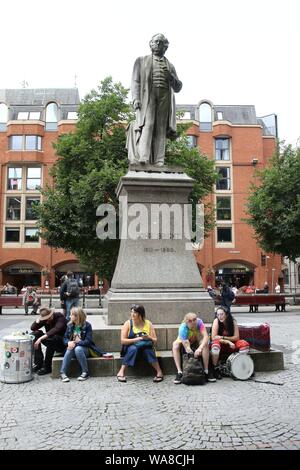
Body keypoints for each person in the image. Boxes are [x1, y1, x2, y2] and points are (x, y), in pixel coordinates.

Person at [127, 33, 182, 166]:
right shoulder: (141, 61)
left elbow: (178, 87)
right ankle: (143, 157)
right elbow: (135, 81)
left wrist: (171, 77)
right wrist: (135, 99)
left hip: (164, 97)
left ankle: (159, 160)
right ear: (151, 44)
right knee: (148, 124)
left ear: (165, 46)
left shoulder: (170, 66)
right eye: (156, 41)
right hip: (148, 96)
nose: (158, 44)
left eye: (161, 42)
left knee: (161, 129)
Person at [116, 304, 163, 383]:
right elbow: (123, 341)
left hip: (145, 347)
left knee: (148, 350)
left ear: (140, 314)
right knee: (133, 349)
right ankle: (121, 371)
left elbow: (155, 340)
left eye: (134, 313)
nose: (132, 314)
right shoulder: (128, 323)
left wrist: (149, 338)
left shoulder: (148, 323)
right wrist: (136, 339)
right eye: (131, 312)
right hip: (131, 347)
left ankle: (159, 371)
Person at [60, 307, 106, 382]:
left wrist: (76, 342)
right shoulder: (70, 325)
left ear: (77, 316)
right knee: (70, 348)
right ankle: (63, 373)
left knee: (78, 349)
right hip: (72, 348)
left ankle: (85, 372)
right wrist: (68, 342)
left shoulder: (87, 326)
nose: (69, 316)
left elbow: (88, 341)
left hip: (84, 350)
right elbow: (64, 338)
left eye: (71, 315)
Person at [172, 312, 216, 384]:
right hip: (185, 342)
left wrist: (200, 348)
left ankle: (206, 371)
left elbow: (205, 336)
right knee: (175, 345)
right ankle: (179, 372)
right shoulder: (183, 328)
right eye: (191, 324)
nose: (193, 324)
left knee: (205, 344)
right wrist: (191, 352)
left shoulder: (199, 322)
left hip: (196, 339)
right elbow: (187, 347)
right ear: (187, 322)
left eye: (194, 322)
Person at [210, 306, 250, 379]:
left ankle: (240, 366)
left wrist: (223, 337)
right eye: (218, 314)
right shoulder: (216, 321)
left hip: (232, 344)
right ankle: (215, 369)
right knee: (215, 345)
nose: (219, 317)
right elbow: (214, 337)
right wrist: (228, 341)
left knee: (245, 345)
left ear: (227, 314)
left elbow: (236, 337)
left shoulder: (233, 321)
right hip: (221, 345)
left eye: (221, 314)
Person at [30, 307, 67, 375]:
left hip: (62, 343)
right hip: (51, 340)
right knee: (35, 334)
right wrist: (37, 321)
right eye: (45, 319)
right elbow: (32, 328)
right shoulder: (45, 319)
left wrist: (40, 339)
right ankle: (38, 363)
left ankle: (47, 367)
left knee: (52, 339)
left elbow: (56, 329)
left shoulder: (60, 317)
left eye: (48, 318)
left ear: (51, 314)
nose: (47, 320)